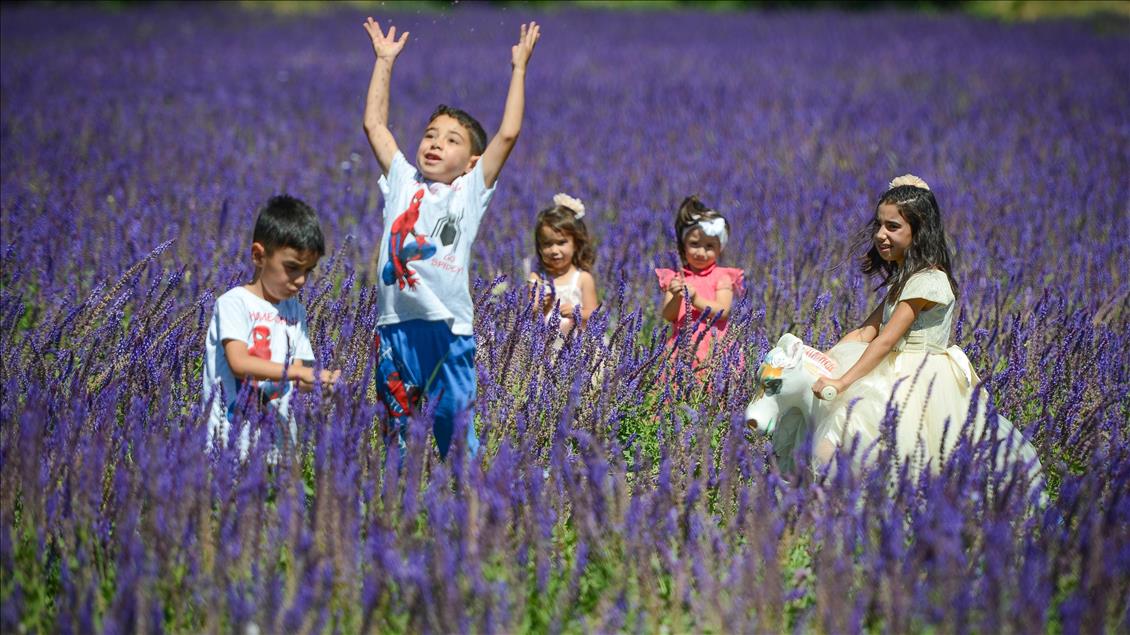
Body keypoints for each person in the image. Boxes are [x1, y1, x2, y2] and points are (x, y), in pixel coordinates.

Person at [361, 17, 540, 459]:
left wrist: (519, 68)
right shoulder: (404, 181)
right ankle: (397, 513)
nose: (435, 143)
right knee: (395, 442)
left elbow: (509, 133)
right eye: (429, 135)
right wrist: (384, 62)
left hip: (449, 332)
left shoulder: (469, 190)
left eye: (452, 139)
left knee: (457, 438)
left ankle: (472, 510)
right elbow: (375, 127)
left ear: (471, 161)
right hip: (396, 330)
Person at [810, 175, 1037, 476]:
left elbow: (884, 341)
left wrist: (842, 382)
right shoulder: (905, 280)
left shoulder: (927, 282)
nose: (880, 234)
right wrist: (823, 359)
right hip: (894, 368)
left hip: (921, 379)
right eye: (879, 225)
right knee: (846, 433)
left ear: (919, 233)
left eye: (892, 227)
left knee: (911, 450)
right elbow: (866, 331)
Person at [203, 195, 340, 457]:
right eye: (292, 268)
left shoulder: (295, 311)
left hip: (277, 447)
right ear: (259, 256)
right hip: (229, 445)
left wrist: (325, 383)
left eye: (308, 271)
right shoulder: (234, 303)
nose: (300, 280)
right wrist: (299, 374)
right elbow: (239, 364)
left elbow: (297, 377)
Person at [655, 195, 744, 365]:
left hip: (713, 350)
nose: (701, 252)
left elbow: (723, 311)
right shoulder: (676, 277)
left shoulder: (722, 277)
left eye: (709, 246)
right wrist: (676, 296)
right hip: (681, 348)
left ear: (720, 249)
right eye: (695, 244)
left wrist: (696, 300)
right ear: (684, 244)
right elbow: (668, 315)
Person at [526, 193, 598, 336]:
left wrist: (576, 312)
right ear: (539, 247)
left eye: (561, 243)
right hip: (544, 345)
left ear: (576, 244)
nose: (554, 250)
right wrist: (541, 306)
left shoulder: (583, 278)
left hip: (578, 346)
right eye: (547, 244)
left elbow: (594, 316)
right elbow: (529, 314)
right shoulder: (537, 278)